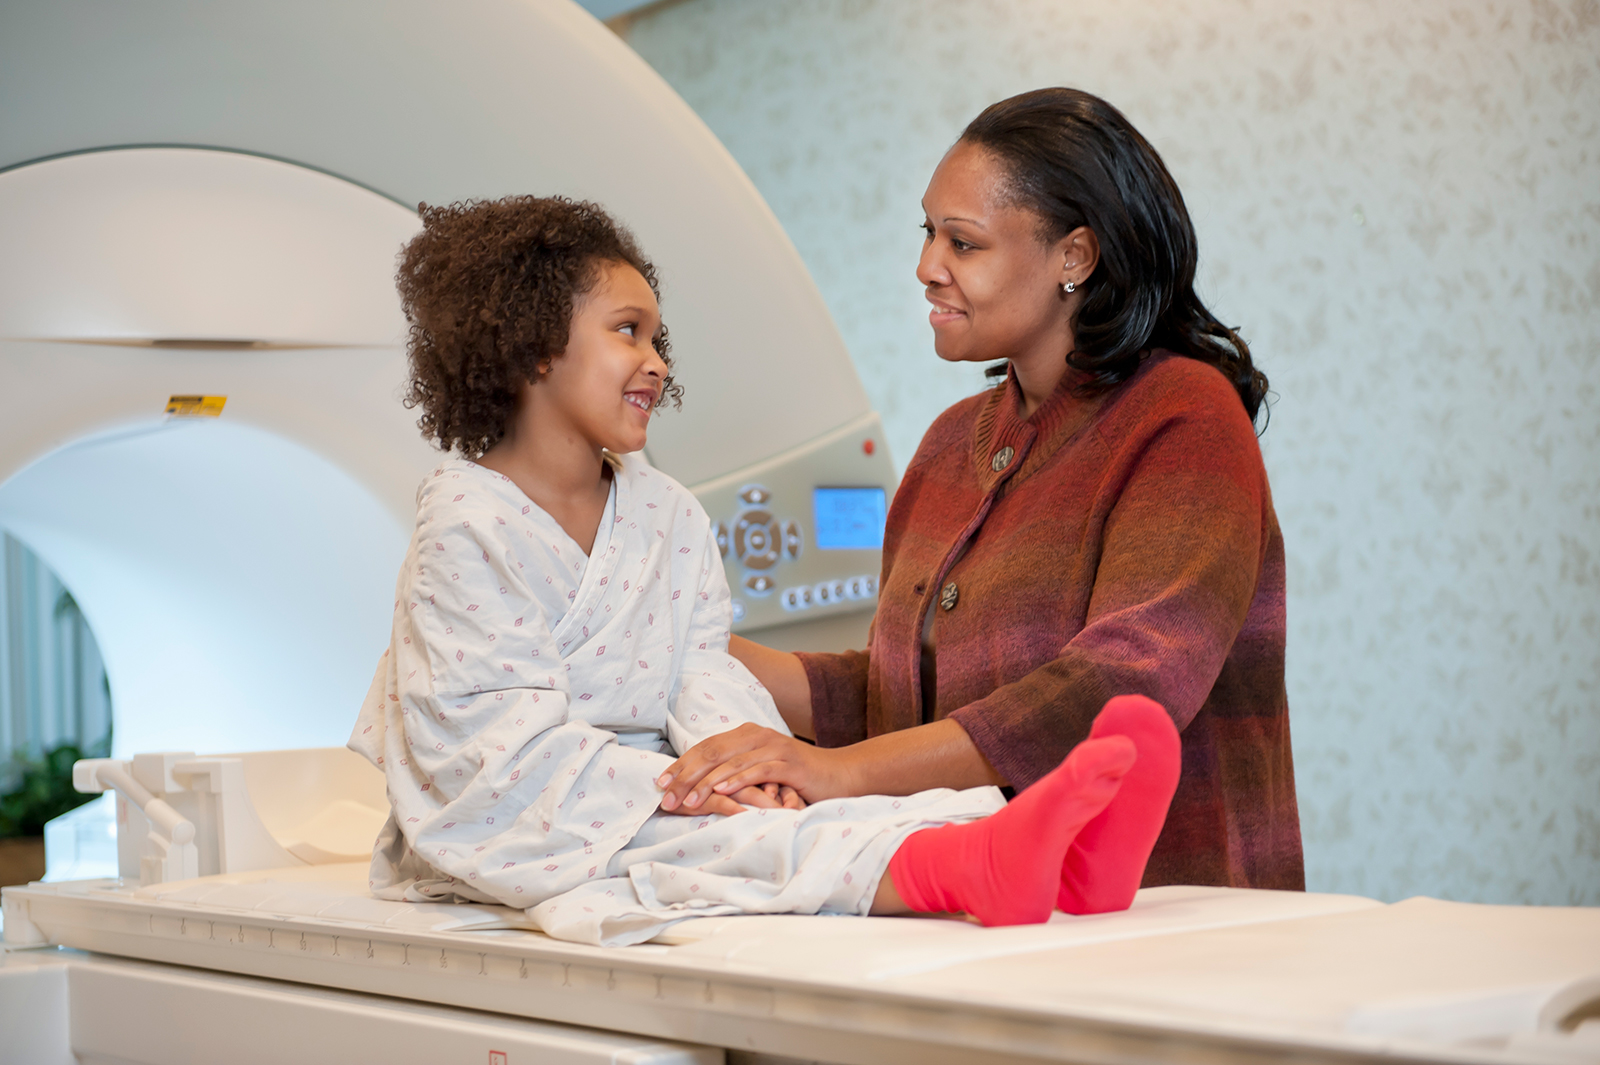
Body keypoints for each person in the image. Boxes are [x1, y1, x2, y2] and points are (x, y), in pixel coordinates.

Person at [348, 195, 1182, 947]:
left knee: (815, 808)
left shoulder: (665, 512)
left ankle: (1061, 860)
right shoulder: (467, 520)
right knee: (722, 838)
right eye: (627, 330)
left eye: (657, 338)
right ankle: (970, 865)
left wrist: (746, 766)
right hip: (520, 806)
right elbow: (494, 748)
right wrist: (689, 788)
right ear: (532, 345)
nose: (657, 361)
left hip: (666, 782)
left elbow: (700, 669)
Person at [657, 88, 1304, 892]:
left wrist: (842, 773)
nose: (927, 266)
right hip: (971, 919)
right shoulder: (947, 448)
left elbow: (1122, 686)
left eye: (963, 243)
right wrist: (678, 640)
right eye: (928, 233)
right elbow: (897, 697)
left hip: (1162, 909)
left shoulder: (1183, 419)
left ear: (1075, 256)